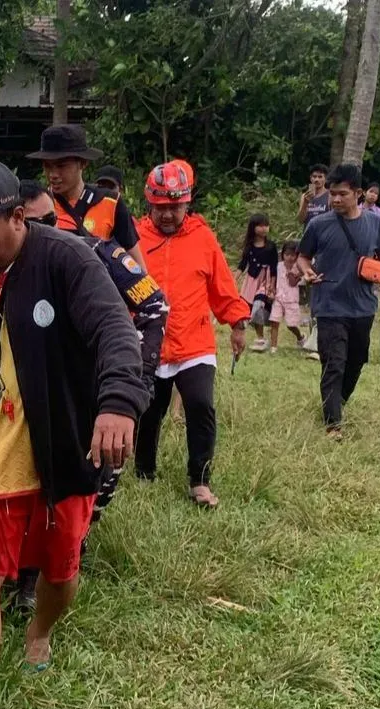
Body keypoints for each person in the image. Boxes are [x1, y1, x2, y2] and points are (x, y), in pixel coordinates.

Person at [0, 158, 146, 709]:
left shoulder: (66, 259)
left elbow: (115, 331)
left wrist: (118, 403)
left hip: (59, 452)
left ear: (16, 215)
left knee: (60, 573)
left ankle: (40, 634)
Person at [134, 159, 249, 508]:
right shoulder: (135, 238)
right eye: (161, 208)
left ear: (187, 203)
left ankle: (200, 480)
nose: (168, 215)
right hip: (149, 342)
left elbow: (222, 287)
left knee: (200, 405)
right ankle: (144, 472)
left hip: (194, 342)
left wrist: (238, 324)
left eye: (175, 207)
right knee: (149, 411)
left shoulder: (203, 238)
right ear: (150, 205)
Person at [298, 164, 380, 438]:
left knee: (356, 360)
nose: (335, 199)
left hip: (362, 307)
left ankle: (337, 401)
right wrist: (307, 271)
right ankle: (332, 424)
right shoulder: (318, 224)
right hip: (328, 305)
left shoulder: (375, 224)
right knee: (334, 361)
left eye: (342, 194)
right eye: (332, 194)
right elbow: (303, 256)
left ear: (358, 194)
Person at [26, 124, 148, 268]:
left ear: (83, 163)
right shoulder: (38, 207)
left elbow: (138, 268)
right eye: (47, 166)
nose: (53, 175)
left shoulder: (110, 203)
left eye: (61, 166)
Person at [236, 213, 278, 352]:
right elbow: (242, 265)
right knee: (246, 309)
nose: (264, 228)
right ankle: (260, 338)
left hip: (264, 281)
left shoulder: (271, 246)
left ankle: (262, 338)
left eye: (266, 225)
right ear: (253, 228)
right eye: (260, 225)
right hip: (251, 280)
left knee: (258, 307)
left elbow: (273, 268)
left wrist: (272, 286)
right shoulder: (249, 246)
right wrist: (234, 278)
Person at [269, 239, 306, 352]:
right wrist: (271, 289)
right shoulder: (278, 266)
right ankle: (273, 346)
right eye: (287, 254)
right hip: (278, 298)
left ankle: (300, 337)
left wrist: (294, 273)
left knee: (291, 325)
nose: (289, 257)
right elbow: (274, 278)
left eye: (292, 255)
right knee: (274, 321)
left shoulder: (299, 268)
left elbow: (294, 283)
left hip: (291, 300)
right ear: (283, 255)